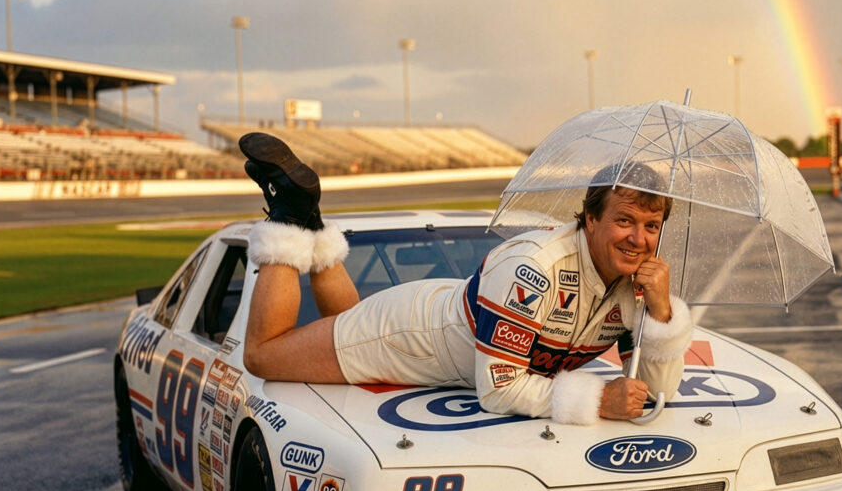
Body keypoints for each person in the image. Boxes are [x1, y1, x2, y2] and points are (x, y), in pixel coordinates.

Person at [239, 132, 693, 425]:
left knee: (343, 320)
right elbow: (498, 390)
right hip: (408, 335)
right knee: (265, 354)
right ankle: (290, 216)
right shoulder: (534, 267)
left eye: (651, 226)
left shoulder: (641, 284)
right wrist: (597, 401)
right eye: (625, 221)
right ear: (590, 219)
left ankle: (310, 219)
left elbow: (657, 393)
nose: (638, 238)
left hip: (437, 329)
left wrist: (663, 312)